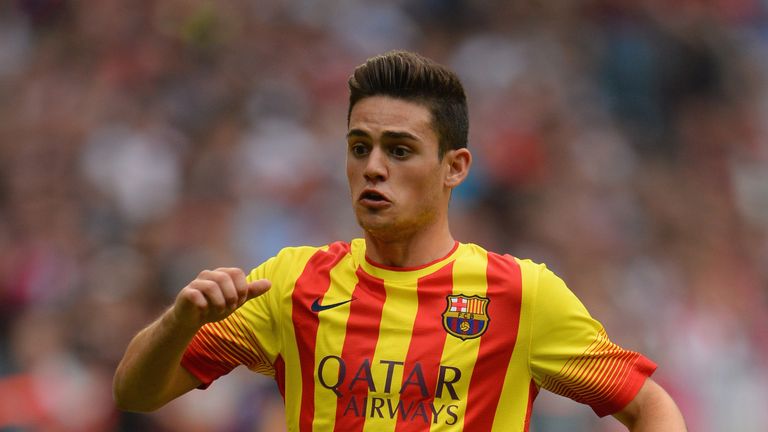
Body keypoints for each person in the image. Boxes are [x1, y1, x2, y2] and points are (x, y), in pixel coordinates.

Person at [113, 50, 686, 431]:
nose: (374, 167)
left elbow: (648, 405)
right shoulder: (292, 281)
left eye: (400, 149)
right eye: (359, 147)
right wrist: (178, 322)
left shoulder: (519, 293)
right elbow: (136, 394)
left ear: (454, 167)